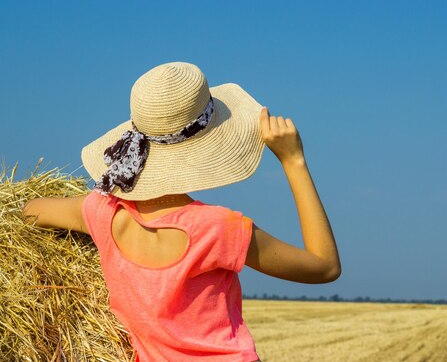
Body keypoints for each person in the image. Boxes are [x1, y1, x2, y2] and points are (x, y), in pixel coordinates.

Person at [22, 62, 341, 362]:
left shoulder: (99, 212)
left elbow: (29, 210)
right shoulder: (218, 228)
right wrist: (293, 161)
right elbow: (324, 267)